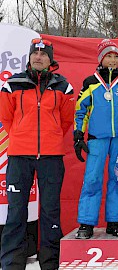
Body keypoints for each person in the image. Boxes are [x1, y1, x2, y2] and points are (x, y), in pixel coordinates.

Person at [0, 38, 75, 269]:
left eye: (44, 54)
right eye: (35, 53)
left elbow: (66, 120)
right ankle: (12, 262)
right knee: (16, 211)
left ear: (51, 59)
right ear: (30, 57)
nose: (39, 57)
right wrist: (23, 137)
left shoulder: (63, 86)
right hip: (19, 156)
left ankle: (50, 262)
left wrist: (50, 139)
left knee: (50, 211)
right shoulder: (13, 84)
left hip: (51, 157)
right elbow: (6, 118)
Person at [74, 39, 118, 239]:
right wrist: (78, 134)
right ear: (101, 58)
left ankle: (114, 221)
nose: (112, 60)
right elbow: (81, 111)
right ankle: (86, 223)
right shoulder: (91, 82)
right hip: (97, 138)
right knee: (92, 179)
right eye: (108, 56)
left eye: (115, 56)